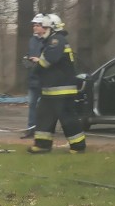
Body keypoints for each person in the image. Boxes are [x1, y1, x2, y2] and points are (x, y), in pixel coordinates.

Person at [27, 14, 87, 154]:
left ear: (52, 27)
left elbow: (48, 61)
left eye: (44, 26)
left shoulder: (56, 40)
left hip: (62, 90)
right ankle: (42, 145)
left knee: (68, 119)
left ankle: (78, 146)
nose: (40, 29)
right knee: (43, 116)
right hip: (51, 90)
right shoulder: (50, 41)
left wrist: (36, 66)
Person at [21, 14, 46, 139]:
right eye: (34, 25)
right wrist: (26, 59)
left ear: (44, 27)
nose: (35, 28)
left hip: (44, 80)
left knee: (44, 106)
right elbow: (29, 54)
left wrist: (39, 60)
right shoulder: (32, 40)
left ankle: (44, 130)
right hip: (32, 79)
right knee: (32, 104)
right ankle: (31, 129)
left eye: (37, 25)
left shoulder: (48, 40)